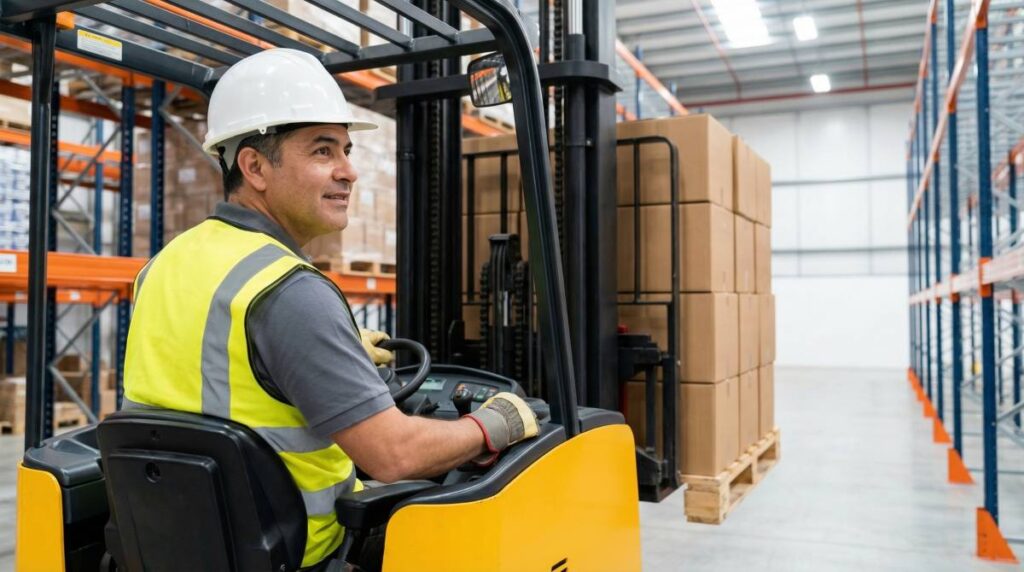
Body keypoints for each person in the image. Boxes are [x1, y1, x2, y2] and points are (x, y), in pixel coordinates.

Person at [122, 48, 539, 570]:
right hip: (300, 553)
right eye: (323, 152)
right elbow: (394, 455)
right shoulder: (289, 291)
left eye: (346, 150)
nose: (349, 172)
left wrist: (325, 352)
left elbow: (210, 373)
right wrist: (491, 426)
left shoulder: (164, 264)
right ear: (254, 166)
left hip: (182, 545)